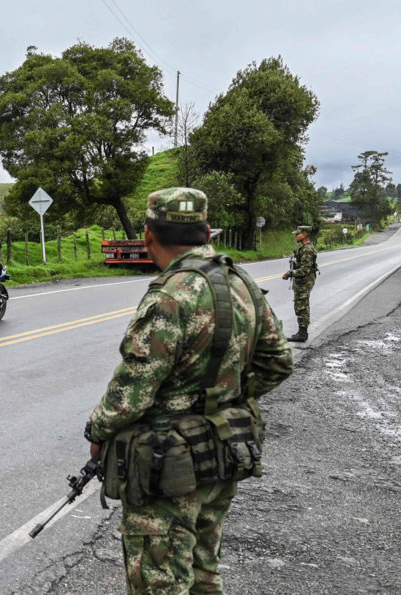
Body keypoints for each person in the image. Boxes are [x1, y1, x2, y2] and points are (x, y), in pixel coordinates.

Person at [85, 187, 294, 595]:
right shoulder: (239, 282)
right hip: (223, 449)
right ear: (205, 230)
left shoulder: (170, 295)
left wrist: (97, 432)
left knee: (159, 583)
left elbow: (132, 392)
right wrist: (225, 397)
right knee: (203, 573)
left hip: (168, 465)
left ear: (149, 236)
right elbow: (278, 361)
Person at [281, 225, 317, 343]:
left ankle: (302, 334)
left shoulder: (307, 250)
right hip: (302, 282)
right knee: (300, 305)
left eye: (298, 234)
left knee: (302, 307)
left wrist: (289, 273)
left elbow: (304, 270)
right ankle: (302, 332)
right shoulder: (303, 248)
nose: (296, 236)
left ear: (305, 234)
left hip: (304, 282)